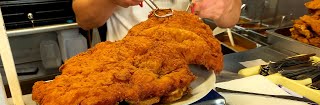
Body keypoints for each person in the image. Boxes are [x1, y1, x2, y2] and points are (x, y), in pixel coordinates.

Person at [72, 0, 242, 41]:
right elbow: (85, 20)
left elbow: (230, 19)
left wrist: (225, 5)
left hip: (193, 70)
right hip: (125, 71)